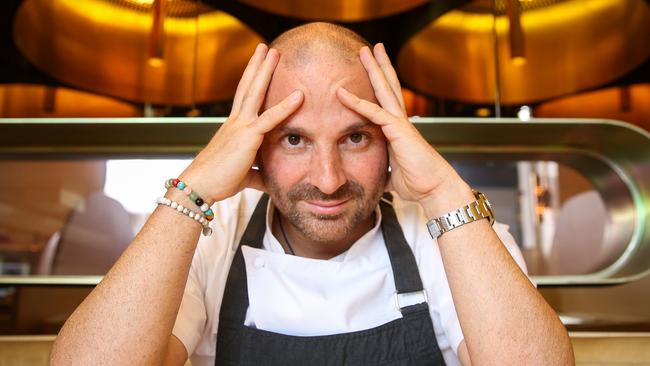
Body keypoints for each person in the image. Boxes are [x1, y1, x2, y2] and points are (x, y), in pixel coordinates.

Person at [50, 23, 573, 365]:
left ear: (392, 139)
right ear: (252, 144)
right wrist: (196, 189)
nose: (328, 179)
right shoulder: (212, 233)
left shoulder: (449, 232)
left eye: (356, 137)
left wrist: (441, 189)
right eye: (294, 139)